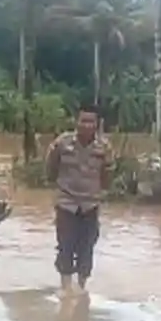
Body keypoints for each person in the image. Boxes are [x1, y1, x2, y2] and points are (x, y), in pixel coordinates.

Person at [45, 108, 112, 292]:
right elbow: (51, 168)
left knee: (87, 247)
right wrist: (59, 188)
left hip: (91, 204)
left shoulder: (104, 147)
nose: (87, 125)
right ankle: (65, 288)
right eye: (83, 121)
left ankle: (81, 288)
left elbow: (107, 175)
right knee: (65, 246)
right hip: (66, 202)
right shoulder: (61, 143)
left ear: (96, 124)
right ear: (76, 122)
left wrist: (101, 193)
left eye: (91, 121)